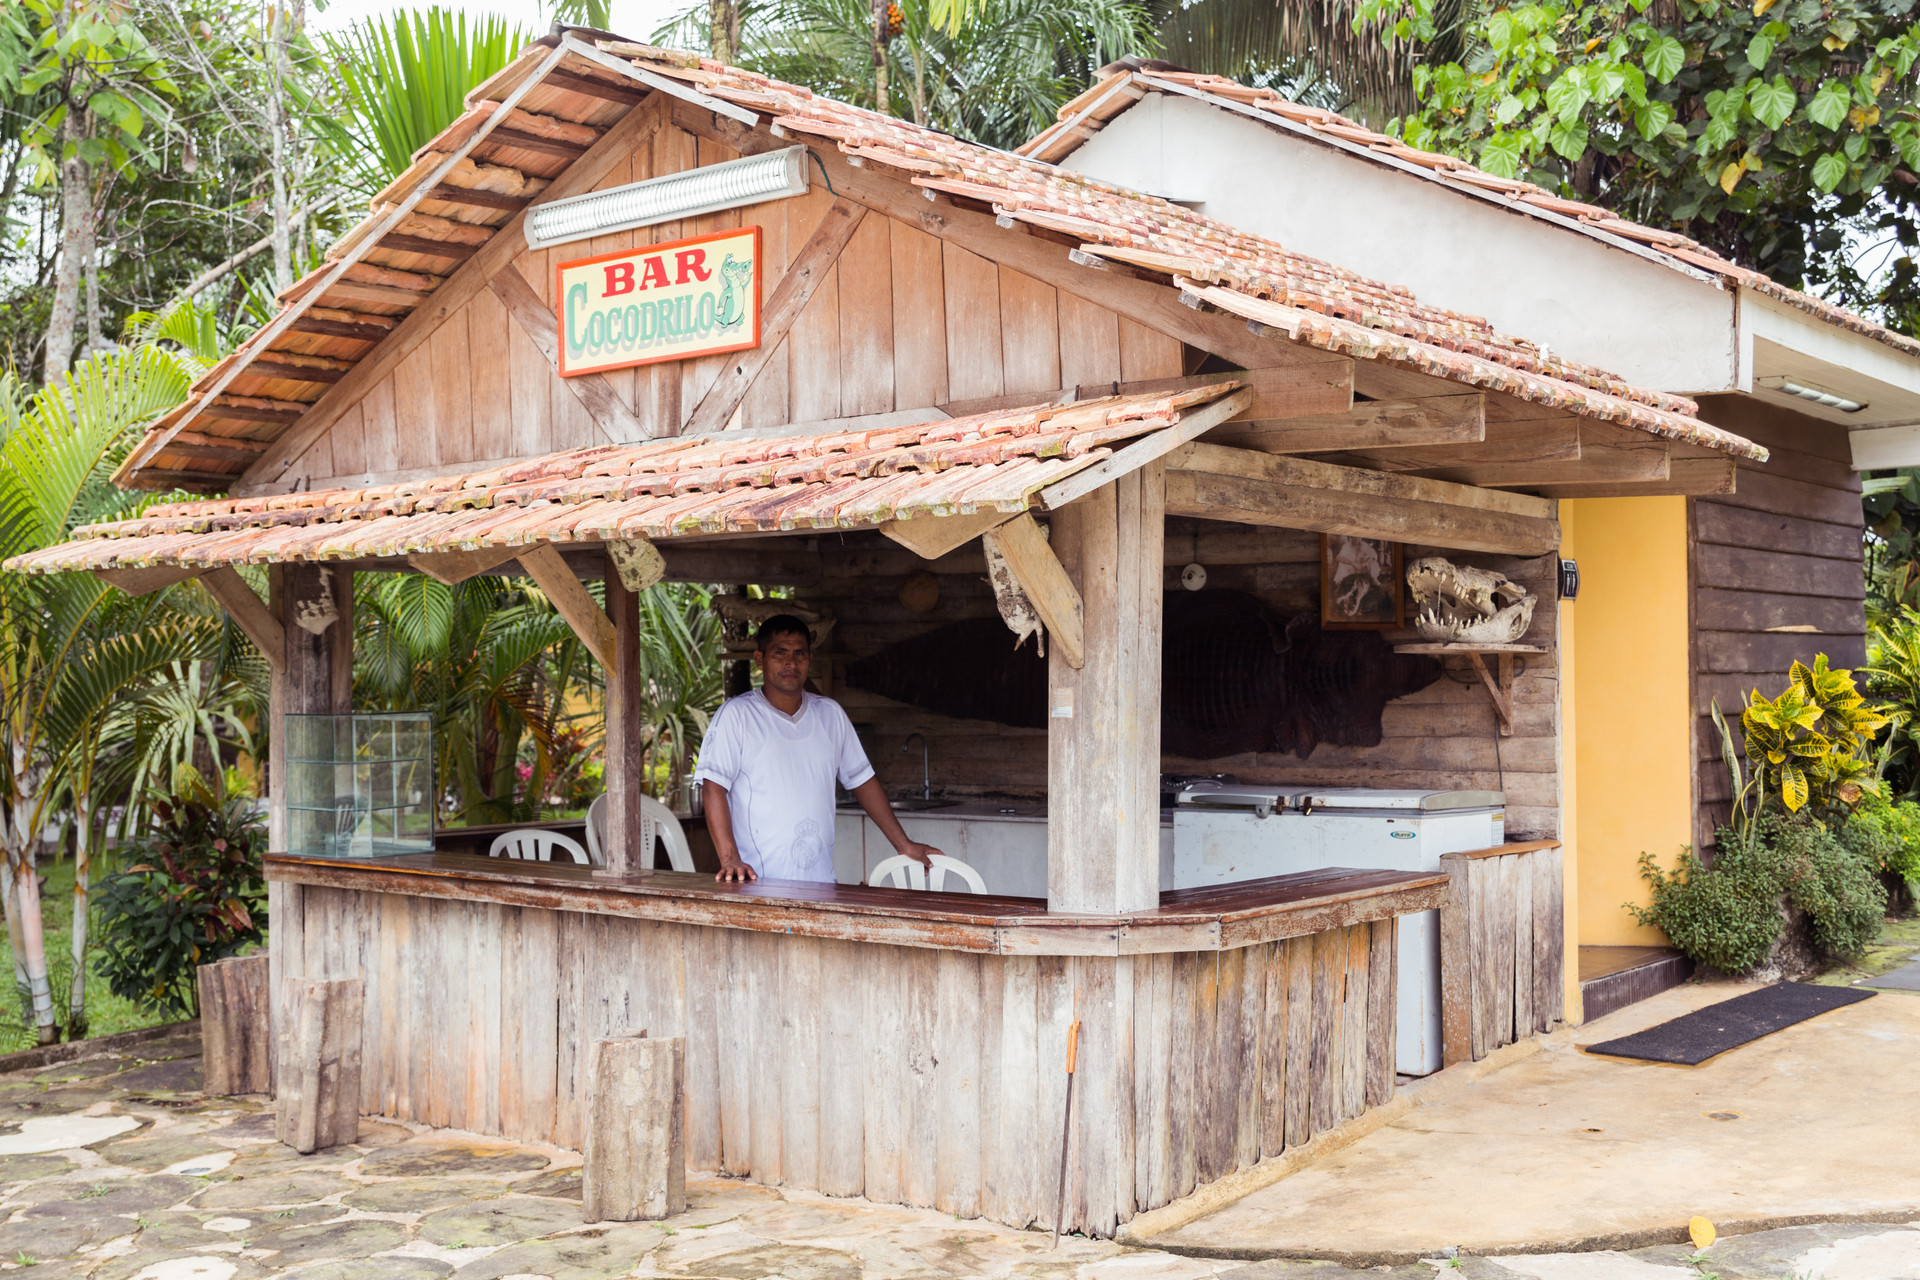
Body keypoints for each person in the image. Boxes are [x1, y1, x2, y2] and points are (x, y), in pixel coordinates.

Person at [694, 613, 942, 884]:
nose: (791, 662)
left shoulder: (830, 715)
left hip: (820, 883)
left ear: (810, 660)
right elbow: (714, 787)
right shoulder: (737, 715)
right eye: (780, 653)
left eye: (800, 653)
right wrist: (730, 859)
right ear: (760, 659)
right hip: (756, 882)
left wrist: (903, 843)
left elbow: (863, 782)